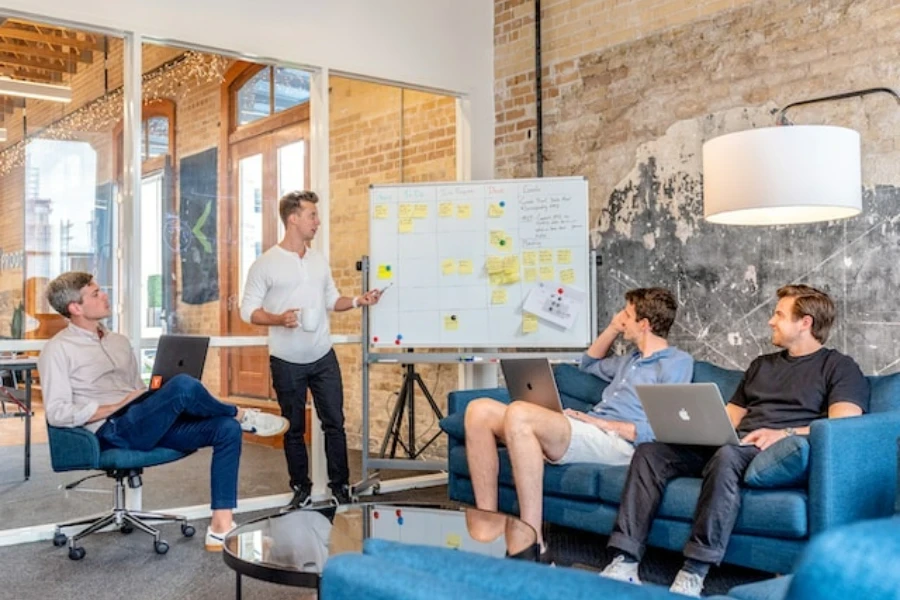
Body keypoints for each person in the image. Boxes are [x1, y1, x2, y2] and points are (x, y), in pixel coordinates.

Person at [601, 284, 869, 597]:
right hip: (734, 444)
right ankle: (625, 560)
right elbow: (728, 419)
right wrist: (691, 429)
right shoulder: (761, 365)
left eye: (779, 314)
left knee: (727, 454)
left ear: (805, 322)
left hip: (775, 451)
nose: (771, 320)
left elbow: (843, 424)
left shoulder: (839, 367)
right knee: (650, 452)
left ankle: (694, 571)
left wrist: (785, 433)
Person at [38, 271, 289, 552]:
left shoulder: (118, 341)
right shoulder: (57, 350)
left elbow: (135, 388)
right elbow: (57, 413)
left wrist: (150, 396)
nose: (105, 295)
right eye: (96, 294)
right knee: (183, 386)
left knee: (224, 429)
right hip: (111, 430)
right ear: (75, 307)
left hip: (141, 420)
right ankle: (241, 415)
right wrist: (115, 406)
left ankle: (220, 526)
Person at [464, 287, 693, 558]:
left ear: (644, 325)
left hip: (619, 444)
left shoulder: (676, 363)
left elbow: (664, 428)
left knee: (520, 414)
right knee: (478, 410)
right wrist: (611, 329)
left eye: (627, 315)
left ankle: (534, 540)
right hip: (591, 431)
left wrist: (604, 424)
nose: (621, 318)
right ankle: (488, 521)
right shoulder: (629, 361)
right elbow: (588, 363)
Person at [240, 190, 382, 508]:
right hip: (286, 361)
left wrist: (359, 300)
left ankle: (340, 486)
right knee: (293, 428)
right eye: (312, 215)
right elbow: (247, 310)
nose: (317, 222)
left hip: (322, 356)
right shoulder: (266, 264)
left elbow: (332, 300)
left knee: (334, 422)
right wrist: (279, 318)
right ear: (293, 218)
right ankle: (301, 489)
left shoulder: (318, 261)